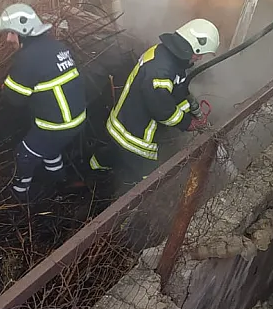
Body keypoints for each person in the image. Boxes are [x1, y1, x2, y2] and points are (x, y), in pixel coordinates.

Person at [88, 19, 220, 188]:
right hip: (136, 138)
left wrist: (191, 109)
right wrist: (188, 123)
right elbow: (163, 110)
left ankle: (91, 177)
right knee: (145, 182)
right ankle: (125, 207)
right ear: (192, 45)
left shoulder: (164, 54)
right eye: (200, 53)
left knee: (108, 156)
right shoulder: (160, 72)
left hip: (120, 124)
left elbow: (175, 91)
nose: (200, 58)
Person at [0, 3, 88, 202]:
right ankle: (58, 182)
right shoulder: (57, 46)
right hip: (77, 118)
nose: (8, 39)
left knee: (24, 153)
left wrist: (6, 88)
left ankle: (20, 194)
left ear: (23, 31)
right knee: (50, 148)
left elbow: (14, 99)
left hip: (57, 125)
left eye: (11, 33)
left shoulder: (27, 58)